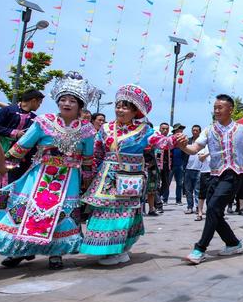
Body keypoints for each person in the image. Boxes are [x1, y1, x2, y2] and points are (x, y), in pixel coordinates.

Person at [0, 73, 95, 270]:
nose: (66, 103)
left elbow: (87, 158)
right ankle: (21, 250)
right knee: (28, 211)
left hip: (70, 178)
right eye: (63, 99)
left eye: (72, 100)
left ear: (80, 105)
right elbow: (22, 146)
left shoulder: (87, 129)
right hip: (41, 174)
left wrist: (87, 181)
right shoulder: (43, 121)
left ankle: (56, 253)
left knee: (61, 214)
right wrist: (4, 163)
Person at [80, 84, 179, 265]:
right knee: (104, 211)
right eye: (118, 105)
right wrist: (90, 175)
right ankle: (108, 247)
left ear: (136, 111)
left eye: (125, 106)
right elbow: (97, 153)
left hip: (129, 179)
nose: (119, 109)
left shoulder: (143, 131)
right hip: (106, 178)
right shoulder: (106, 128)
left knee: (125, 213)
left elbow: (163, 142)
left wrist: (176, 139)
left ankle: (120, 249)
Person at [179, 94, 243, 264]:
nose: (216, 110)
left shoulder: (242, 129)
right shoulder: (209, 130)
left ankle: (200, 249)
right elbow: (194, 149)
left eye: (220, 107)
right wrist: (182, 145)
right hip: (213, 175)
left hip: (233, 175)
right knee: (215, 213)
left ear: (230, 109)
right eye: (215, 108)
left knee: (214, 208)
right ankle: (233, 243)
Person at [0, 89, 44, 182]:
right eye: (39, 103)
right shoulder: (7, 111)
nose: (39, 106)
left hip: (17, 161)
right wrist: (15, 133)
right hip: (0, 152)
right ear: (33, 101)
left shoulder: (35, 119)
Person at [184, 125, 203, 214]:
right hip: (188, 168)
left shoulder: (202, 142)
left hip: (199, 169)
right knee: (188, 189)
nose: (194, 132)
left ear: (200, 132)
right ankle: (189, 206)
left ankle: (197, 207)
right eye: (193, 130)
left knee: (197, 189)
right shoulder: (188, 141)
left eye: (196, 130)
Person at [169, 123, 187, 205]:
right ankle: (165, 199)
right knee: (167, 183)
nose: (181, 130)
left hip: (180, 164)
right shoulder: (169, 139)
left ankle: (178, 200)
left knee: (179, 183)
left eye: (182, 129)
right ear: (175, 130)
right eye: (180, 129)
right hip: (170, 165)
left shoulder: (184, 139)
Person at [195, 146, 211, 221]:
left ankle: (211, 213)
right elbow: (201, 158)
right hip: (205, 172)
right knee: (202, 194)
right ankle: (200, 213)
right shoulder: (204, 146)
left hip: (216, 172)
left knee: (213, 194)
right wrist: (209, 153)